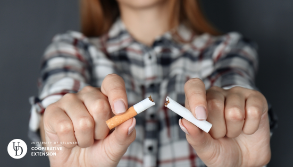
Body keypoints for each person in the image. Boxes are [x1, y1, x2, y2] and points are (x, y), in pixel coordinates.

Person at [29, 0, 273, 166]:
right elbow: (58, 95)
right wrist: (63, 125)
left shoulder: (229, 50)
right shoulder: (71, 50)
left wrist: (239, 112)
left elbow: (233, 83)